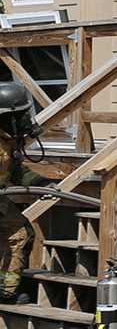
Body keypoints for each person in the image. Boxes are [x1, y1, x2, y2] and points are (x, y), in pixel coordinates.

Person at [0, 84, 50, 304]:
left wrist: (42, 184)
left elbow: (17, 170)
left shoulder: (7, 140)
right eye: (21, 116)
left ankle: (5, 292)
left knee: (21, 233)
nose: (26, 121)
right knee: (17, 234)